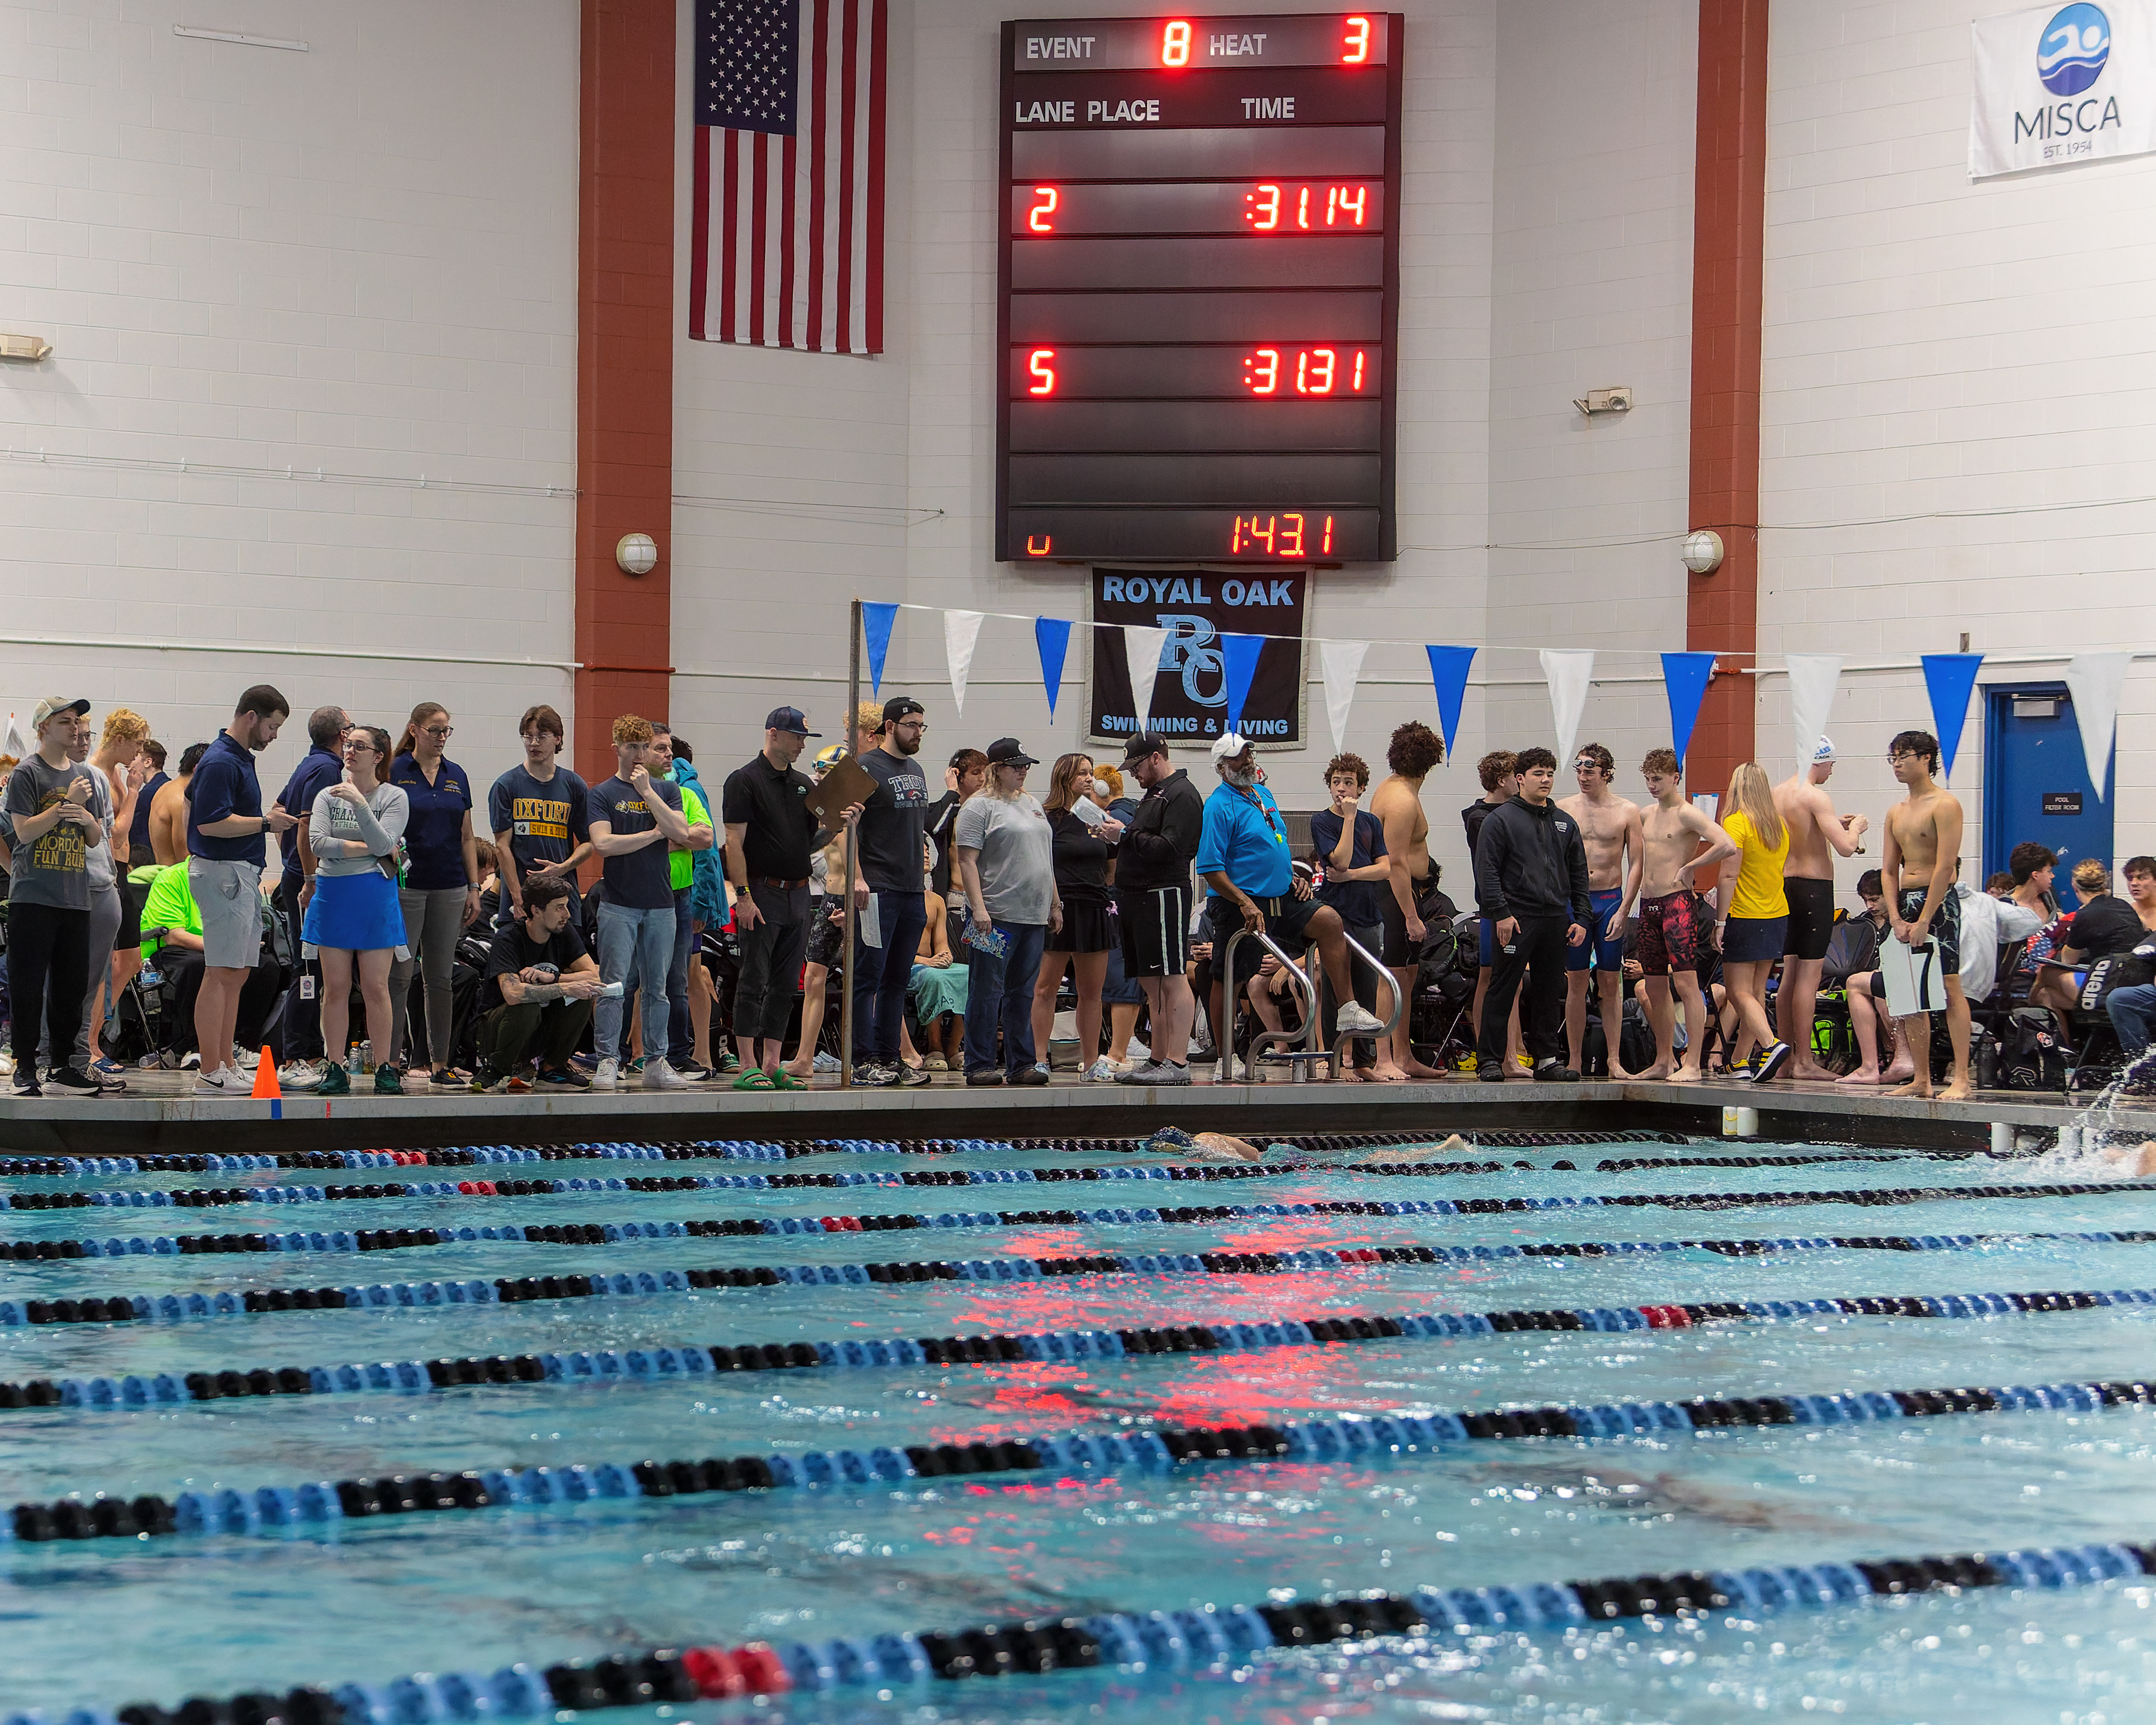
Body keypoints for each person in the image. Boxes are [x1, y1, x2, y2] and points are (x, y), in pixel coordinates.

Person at [1197, 731, 1385, 1081]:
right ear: (1223, 768)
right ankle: (1228, 1057)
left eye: (1249, 754)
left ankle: (1347, 1009)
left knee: (1329, 921)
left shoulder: (1262, 794)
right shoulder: (1218, 806)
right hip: (1239, 902)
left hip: (1283, 896)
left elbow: (1275, 843)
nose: (1249, 761)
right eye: (1240, 757)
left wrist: (1291, 877)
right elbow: (1209, 868)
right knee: (1231, 978)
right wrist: (1245, 902)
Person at [186, 685, 295, 1096]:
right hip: (223, 873)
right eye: (272, 726)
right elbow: (208, 824)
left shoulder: (235, 759)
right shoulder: (220, 761)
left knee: (238, 972)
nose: (274, 735)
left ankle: (226, 1063)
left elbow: (190, 804)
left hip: (237, 872)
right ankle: (210, 1069)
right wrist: (267, 824)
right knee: (220, 973)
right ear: (251, 717)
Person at [723, 706, 832, 1090]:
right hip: (761, 891)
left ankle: (772, 1062)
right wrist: (743, 896)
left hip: (799, 894)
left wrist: (841, 823)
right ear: (772, 734)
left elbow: (812, 840)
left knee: (787, 982)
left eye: (804, 737)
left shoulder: (804, 784)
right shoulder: (744, 781)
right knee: (753, 976)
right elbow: (733, 842)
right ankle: (746, 1063)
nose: (802, 743)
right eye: (796, 736)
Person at [585, 713, 694, 1090]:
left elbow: (682, 832)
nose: (637, 754)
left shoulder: (665, 790)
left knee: (658, 987)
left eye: (643, 747)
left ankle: (655, 1059)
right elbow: (603, 845)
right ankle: (608, 1060)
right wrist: (654, 834)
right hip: (618, 903)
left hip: (662, 904)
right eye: (630, 746)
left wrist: (648, 792)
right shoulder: (601, 794)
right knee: (614, 985)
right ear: (616, 747)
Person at [301, 724, 410, 1097]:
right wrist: (369, 846)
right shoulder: (326, 796)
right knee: (335, 988)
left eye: (359, 746)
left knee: (377, 986)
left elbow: (385, 841)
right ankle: (335, 1066)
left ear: (378, 756)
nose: (349, 751)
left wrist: (362, 806)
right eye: (348, 744)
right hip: (333, 894)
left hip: (374, 895)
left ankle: (385, 1067)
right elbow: (318, 844)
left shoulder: (394, 797)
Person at [1471, 746, 1590, 1082]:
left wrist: (1580, 917)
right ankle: (1490, 1059)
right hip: (1516, 917)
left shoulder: (1564, 823)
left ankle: (1547, 1059)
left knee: (1549, 989)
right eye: (1538, 774)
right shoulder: (1500, 820)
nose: (1546, 780)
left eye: (1550, 773)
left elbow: (1578, 873)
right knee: (1503, 986)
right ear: (1520, 779)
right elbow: (1488, 871)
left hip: (1555, 917)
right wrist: (1502, 914)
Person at [5, 697, 102, 1095]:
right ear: (43, 728)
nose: (75, 728)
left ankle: (62, 1065)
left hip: (75, 898)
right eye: (65, 721)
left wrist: (88, 819)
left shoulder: (83, 775)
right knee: (28, 985)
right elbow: (24, 832)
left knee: (71, 988)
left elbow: (95, 839)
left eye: (77, 722)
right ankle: (26, 1065)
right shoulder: (27, 773)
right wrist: (68, 806)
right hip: (33, 896)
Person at [953, 738, 1061, 1085]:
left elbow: (1046, 857)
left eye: (1026, 765)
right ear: (995, 770)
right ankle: (980, 1064)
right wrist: (979, 909)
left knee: (1022, 993)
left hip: (1032, 916)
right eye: (1016, 766)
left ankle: (1021, 1064)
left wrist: (1055, 903)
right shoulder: (977, 807)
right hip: (994, 917)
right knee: (986, 990)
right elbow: (966, 861)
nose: (1023, 771)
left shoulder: (1032, 803)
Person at [384, 703, 480, 1086]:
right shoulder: (394, 771)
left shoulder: (457, 775)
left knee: (440, 977)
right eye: (435, 730)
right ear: (415, 730)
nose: (441, 737)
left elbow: (467, 836)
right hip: (407, 886)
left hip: (451, 885)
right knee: (399, 975)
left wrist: (474, 887)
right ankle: (391, 1063)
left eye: (447, 731)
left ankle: (440, 1063)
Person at [1875, 728, 1972, 1100]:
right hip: (1906, 902)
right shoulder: (1895, 812)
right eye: (1893, 757)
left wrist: (1925, 920)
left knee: (1948, 986)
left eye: (1904, 756)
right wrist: (1897, 918)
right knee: (1909, 994)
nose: (1897, 764)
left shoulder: (1945, 805)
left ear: (1926, 758)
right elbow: (1887, 870)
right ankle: (1922, 1079)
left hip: (1940, 903)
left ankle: (1961, 1078)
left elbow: (1946, 866)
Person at [1633, 748, 1736, 1082]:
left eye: (1658, 779)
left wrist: (1692, 865)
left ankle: (1692, 1062)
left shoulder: (1688, 814)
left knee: (1687, 983)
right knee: (1654, 985)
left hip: (1676, 904)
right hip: (1648, 906)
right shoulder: (1646, 814)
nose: (1652, 785)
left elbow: (1726, 844)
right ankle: (1664, 1060)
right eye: (1648, 779)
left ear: (1675, 778)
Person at [1772, 737, 1869, 1081]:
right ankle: (1805, 1061)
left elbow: (1798, 835)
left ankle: (1782, 1059)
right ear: (1821, 760)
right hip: (1813, 890)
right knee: (1808, 979)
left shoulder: (1778, 793)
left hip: (1784, 887)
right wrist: (1856, 829)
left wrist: (1831, 824)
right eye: (1831, 764)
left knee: (1789, 975)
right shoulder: (1815, 795)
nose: (1831, 770)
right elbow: (1845, 849)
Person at [850, 695, 933, 1087]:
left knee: (898, 980)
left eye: (921, 726)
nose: (918, 732)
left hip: (912, 890)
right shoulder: (865, 766)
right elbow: (843, 825)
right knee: (867, 977)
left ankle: (889, 1057)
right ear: (889, 727)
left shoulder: (916, 769)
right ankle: (861, 1060)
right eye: (911, 725)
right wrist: (857, 877)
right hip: (878, 889)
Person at [1114, 732, 1205, 1087]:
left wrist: (1124, 835)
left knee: (1172, 975)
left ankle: (1178, 1062)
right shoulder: (1153, 795)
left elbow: (1171, 849)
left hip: (1164, 892)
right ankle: (1158, 1057)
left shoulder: (1183, 795)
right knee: (1152, 983)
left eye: (1136, 766)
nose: (1133, 774)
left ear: (1155, 757)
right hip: (1139, 894)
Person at [1355, 722, 1443, 1082]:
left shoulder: (1393, 788)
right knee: (1390, 976)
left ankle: (1404, 1055)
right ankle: (1384, 1058)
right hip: (1393, 896)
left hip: (1403, 894)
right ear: (1431, 761)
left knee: (1406, 975)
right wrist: (1410, 915)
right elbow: (1396, 863)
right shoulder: (1403, 800)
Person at [1031, 752, 1125, 1081]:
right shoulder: (1046, 817)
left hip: (1093, 906)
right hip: (1058, 907)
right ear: (1064, 778)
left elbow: (1111, 861)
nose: (1089, 778)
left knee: (1091, 992)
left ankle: (1091, 1062)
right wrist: (1052, 904)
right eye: (1081, 773)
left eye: (1090, 772)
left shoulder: (1097, 815)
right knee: (1046, 988)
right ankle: (1039, 1058)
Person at [138, 858, 283, 1069]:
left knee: (265, 967)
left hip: (221, 946)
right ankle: (197, 1047)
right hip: (177, 949)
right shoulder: (171, 879)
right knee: (205, 967)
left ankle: (241, 1043)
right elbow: (174, 936)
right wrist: (222, 949)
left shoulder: (232, 880)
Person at [272, 704, 351, 1092]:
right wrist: (307, 876)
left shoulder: (309, 763)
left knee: (315, 968)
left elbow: (278, 810)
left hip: (302, 877)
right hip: (311, 883)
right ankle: (295, 1055)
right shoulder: (327, 770)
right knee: (307, 969)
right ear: (342, 734)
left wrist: (290, 862)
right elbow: (304, 826)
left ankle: (309, 1050)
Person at [1558, 743, 1644, 1078]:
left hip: (1610, 901)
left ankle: (1613, 1060)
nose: (1582, 777)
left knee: (1610, 983)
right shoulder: (1563, 809)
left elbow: (1636, 863)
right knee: (1576, 982)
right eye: (1578, 770)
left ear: (1607, 773)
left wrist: (1625, 910)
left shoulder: (1627, 811)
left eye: (1589, 771)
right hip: (1576, 902)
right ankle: (1575, 1060)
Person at [474, 876, 602, 1092]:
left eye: (567, 906)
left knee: (582, 995)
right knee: (527, 1003)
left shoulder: (564, 931)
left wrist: (554, 977)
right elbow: (512, 994)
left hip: (539, 1028)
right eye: (559, 908)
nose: (567, 914)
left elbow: (594, 975)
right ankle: (495, 1070)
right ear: (537, 910)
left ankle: (552, 1069)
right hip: (497, 1030)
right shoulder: (509, 937)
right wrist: (565, 988)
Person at [72, 707, 143, 1088]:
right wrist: (134, 793)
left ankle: (93, 1038)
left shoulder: (113, 773)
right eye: (137, 743)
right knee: (100, 964)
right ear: (118, 739)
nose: (140, 751)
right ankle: (91, 1045)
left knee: (129, 959)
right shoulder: (97, 774)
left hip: (121, 873)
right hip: (104, 873)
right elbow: (115, 833)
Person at [1310, 752, 1392, 1081]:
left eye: (1349, 783)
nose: (1342, 789)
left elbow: (1385, 868)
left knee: (1366, 988)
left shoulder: (1371, 822)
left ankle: (1363, 1062)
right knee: (1335, 989)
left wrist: (1353, 876)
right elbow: (1339, 860)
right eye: (1336, 783)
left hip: (1367, 913)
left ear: (1360, 787)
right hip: (1336, 914)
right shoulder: (1322, 821)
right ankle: (1332, 1060)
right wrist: (1347, 818)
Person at [643, 727, 716, 1081]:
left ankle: (685, 1052)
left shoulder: (686, 791)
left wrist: (703, 902)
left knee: (683, 977)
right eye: (661, 748)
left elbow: (706, 843)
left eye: (670, 748)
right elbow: (615, 841)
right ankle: (629, 1053)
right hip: (639, 895)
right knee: (635, 979)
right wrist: (673, 839)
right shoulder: (627, 794)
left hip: (681, 894)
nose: (669, 755)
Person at [1711, 761, 1792, 1082]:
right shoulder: (1779, 825)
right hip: (1776, 914)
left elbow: (1729, 873)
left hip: (1745, 914)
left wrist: (1720, 922)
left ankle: (1770, 1043)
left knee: (1737, 992)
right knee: (1755, 993)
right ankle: (1739, 1062)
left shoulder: (1736, 823)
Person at [489, 704, 593, 929]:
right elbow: (502, 846)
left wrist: (563, 867)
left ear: (557, 738)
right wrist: (517, 896)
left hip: (562, 893)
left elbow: (588, 843)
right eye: (528, 737)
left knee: (568, 962)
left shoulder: (574, 785)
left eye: (541, 737)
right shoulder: (506, 785)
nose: (533, 743)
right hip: (521, 893)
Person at [785, 746, 851, 1081]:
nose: (819, 781)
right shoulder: (830, 817)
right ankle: (805, 1058)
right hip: (830, 898)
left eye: (826, 775)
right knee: (813, 979)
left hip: (851, 902)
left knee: (866, 983)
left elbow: (863, 871)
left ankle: (906, 1052)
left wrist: (852, 914)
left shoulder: (852, 818)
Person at [1460, 749, 1525, 1078]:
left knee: (1511, 982)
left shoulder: (1511, 813)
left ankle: (1509, 1054)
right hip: (1495, 910)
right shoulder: (1481, 818)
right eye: (1518, 777)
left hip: (1516, 909)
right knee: (1492, 979)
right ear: (1503, 780)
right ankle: (1495, 1055)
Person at [2103, 858, 2156, 1072]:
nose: (2134, 883)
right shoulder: (2124, 914)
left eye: (2142, 877)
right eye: (2130, 878)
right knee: (2119, 998)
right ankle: (2143, 1071)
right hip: (2137, 981)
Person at [910, 889, 968, 1069]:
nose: (926, 858)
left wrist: (945, 956)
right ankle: (935, 1047)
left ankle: (953, 1048)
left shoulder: (936, 900)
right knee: (934, 977)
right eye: (920, 857)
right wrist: (926, 961)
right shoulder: (896, 898)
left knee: (970, 975)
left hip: (931, 962)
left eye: (926, 857)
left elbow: (941, 944)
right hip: (908, 965)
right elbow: (892, 951)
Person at [925, 748, 987, 906]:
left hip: (987, 896)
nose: (983, 778)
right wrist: (952, 791)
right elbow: (933, 826)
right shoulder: (949, 811)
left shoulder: (992, 810)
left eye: (985, 772)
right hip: (956, 894)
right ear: (958, 775)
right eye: (976, 773)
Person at [147, 743, 204, 865]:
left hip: (163, 874)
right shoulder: (181, 800)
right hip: (176, 878)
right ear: (198, 768)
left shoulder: (165, 788)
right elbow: (185, 857)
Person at [126, 739, 168, 867]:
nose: (130, 761)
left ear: (148, 762)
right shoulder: (168, 786)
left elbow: (137, 834)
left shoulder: (147, 795)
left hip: (147, 861)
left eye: (136, 756)